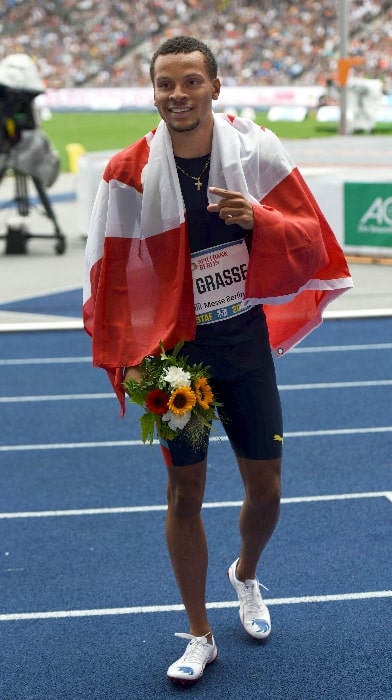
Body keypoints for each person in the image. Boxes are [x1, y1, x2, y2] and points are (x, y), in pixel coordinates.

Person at [83, 35, 352, 685]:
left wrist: (257, 218)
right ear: (153, 92)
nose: (178, 94)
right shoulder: (128, 171)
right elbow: (108, 277)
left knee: (268, 491)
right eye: (166, 84)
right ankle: (199, 633)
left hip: (243, 340)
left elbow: (312, 236)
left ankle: (246, 575)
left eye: (191, 81)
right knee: (185, 492)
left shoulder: (255, 149)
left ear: (215, 86)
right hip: (175, 357)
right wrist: (133, 353)